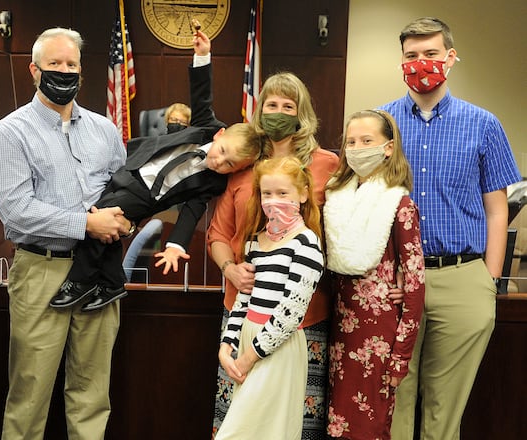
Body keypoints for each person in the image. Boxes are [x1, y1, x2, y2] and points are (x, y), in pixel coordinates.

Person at [0, 27, 131, 439]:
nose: (64, 72)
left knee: (92, 390)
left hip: (99, 269)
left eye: (71, 65)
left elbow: (124, 191)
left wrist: (126, 220)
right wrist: (87, 223)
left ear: (81, 72)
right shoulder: (9, 133)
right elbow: (16, 213)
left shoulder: (104, 130)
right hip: (42, 270)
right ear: (34, 70)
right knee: (30, 391)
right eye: (54, 64)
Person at [380, 17, 521, 440]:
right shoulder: (380, 124)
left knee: (445, 409)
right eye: (411, 55)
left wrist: (489, 281)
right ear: (401, 61)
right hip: (395, 280)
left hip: (462, 277)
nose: (420, 62)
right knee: (391, 400)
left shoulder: (484, 124)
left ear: (451, 57)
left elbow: (497, 210)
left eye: (431, 53)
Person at [207, 69, 339, 437]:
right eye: (271, 104)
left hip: (302, 316)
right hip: (244, 307)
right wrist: (230, 269)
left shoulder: (326, 164)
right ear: (260, 110)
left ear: (301, 114)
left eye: (288, 106)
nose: (279, 112)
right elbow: (219, 233)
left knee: (293, 421)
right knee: (239, 418)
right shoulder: (243, 163)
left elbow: (341, 230)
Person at [51, 122, 263, 311]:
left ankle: (81, 281)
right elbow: (201, 97)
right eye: (222, 151)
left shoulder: (213, 182)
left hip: (147, 196)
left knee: (100, 216)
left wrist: (176, 245)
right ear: (219, 134)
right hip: (131, 171)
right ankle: (111, 283)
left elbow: (192, 211)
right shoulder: (203, 130)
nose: (219, 161)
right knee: (106, 222)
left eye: (229, 164)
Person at [323, 110, 425, 439]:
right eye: (351, 142)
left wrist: (401, 356)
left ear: (388, 148)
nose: (357, 148)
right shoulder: (336, 198)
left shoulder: (400, 204)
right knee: (337, 423)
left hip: (378, 336)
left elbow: (415, 285)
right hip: (339, 328)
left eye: (366, 141)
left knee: (369, 425)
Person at [215, 156, 325, 440]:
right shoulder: (254, 241)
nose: (274, 201)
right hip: (247, 338)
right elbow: (243, 300)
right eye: (267, 193)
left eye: (283, 193)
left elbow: (291, 312)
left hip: (277, 346)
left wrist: (249, 357)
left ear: (302, 194)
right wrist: (227, 346)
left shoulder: (306, 244)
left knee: (252, 432)